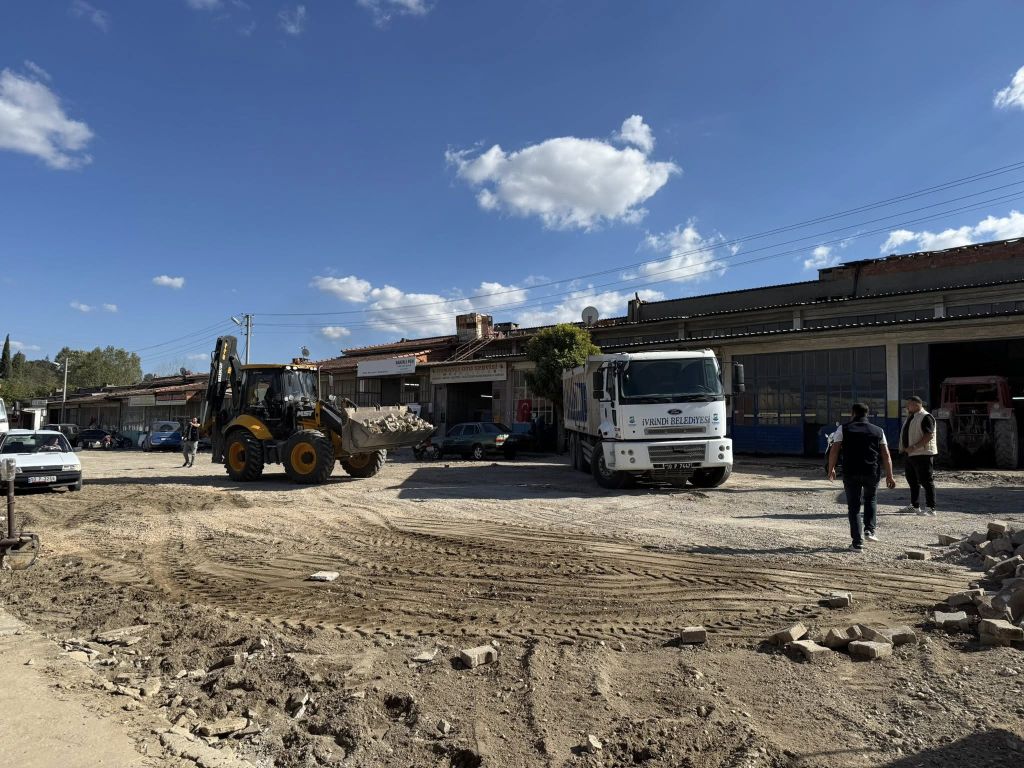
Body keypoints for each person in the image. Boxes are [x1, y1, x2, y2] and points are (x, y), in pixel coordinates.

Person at [827, 403, 897, 551]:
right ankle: (870, 531)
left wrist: (831, 468)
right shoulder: (878, 431)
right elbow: (886, 455)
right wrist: (890, 475)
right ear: (867, 414)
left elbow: (834, 450)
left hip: (850, 472)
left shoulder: (843, 429)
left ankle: (857, 543)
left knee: (854, 507)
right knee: (870, 499)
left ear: (852, 413)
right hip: (871, 471)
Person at [897, 395, 937, 516]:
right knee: (912, 481)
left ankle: (931, 508)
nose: (906, 407)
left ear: (916, 404)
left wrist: (914, 447)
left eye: (908, 404)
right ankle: (915, 506)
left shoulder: (926, 417)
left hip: (922, 454)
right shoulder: (912, 417)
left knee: (926, 481)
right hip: (910, 454)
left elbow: (928, 435)